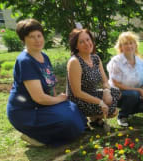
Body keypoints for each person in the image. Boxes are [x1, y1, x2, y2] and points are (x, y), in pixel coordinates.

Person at [6, 19, 85, 147]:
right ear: (23, 40)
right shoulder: (25, 61)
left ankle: (48, 131)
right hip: (26, 112)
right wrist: (59, 100)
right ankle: (37, 136)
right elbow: (39, 98)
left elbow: (51, 84)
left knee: (74, 110)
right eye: (31, 37)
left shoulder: (44, 56)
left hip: (42, 107)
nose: (37, 40)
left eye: (39, 35)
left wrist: (58, 101)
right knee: (69, 121)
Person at [67, 28, 119, 127]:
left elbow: (105, 81)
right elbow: (77, 93)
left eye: (88, 40)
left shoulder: (95, 58)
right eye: (81, 42)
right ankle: (83, 116)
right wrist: (100, 102)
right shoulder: (75, 62)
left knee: (115, 92)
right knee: (113, 111)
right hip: (79, 100)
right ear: (76, 46)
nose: (87, 43)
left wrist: (106, 92)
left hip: (92, 93)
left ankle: (95, 119)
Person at [107, 31, 143, 127]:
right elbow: (116, 83)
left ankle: (129, 109)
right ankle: (122, 116)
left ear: (135, 45)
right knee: (133, 95)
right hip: (118, 94)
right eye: (125, 44)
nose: (129, 46)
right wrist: (138, 90)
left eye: (131, 43)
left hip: (135, 93)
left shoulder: (140, 61)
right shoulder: (116, 61)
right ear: (121, 47)